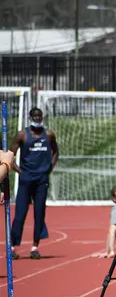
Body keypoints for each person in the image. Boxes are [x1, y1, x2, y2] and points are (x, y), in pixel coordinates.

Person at [9, 107, 59, 260]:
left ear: (42, 117)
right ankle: (12, 246)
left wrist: (50, 167)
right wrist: (19, 171)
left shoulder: (48, 134)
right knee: (20, 214)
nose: (37, 118)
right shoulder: (22, 135)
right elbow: (10, 156)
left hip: (41, 179)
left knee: (39, 213)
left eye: (39, 116)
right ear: (30, 118)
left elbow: (56, 152)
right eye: (35, 116)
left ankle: (35, 247)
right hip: (26, 179)